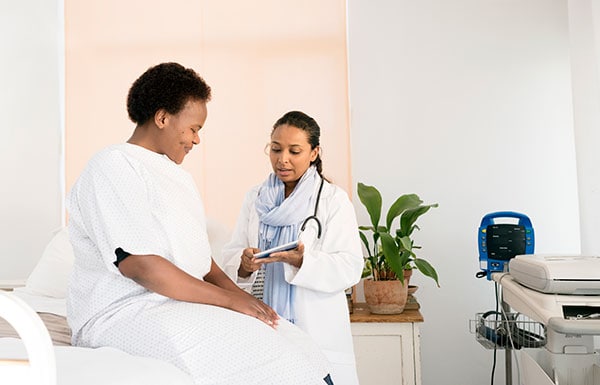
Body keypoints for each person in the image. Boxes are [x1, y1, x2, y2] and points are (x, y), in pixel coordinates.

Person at [66, 63, 333, 385]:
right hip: (125, 311)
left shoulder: (178, 178)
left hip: (177, 303)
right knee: (268, 355)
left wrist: (247, 301)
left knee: (293, 341)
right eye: (194, 129)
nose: (196, 140)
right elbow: (140, 266)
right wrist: (231, 301)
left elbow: (201, 262)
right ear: (163, 118)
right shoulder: (113, 165)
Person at [222, 111, 364, 385]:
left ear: (314, 153)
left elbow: (350, 267)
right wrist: (243, 265)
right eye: (276, 149)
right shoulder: (255, 198)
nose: (282, 159)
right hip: (264, 327)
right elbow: (233, 253)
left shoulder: (333, 200)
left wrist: (303, 261)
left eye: (294, 151)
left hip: (316, 331)